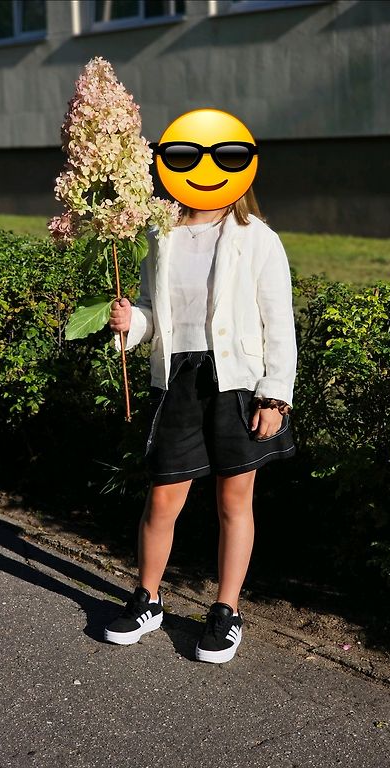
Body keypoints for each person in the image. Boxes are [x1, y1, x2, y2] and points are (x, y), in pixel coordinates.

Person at [105, 187, 297, 664]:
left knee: (234, 501)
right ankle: (148, 600)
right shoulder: (159, 234)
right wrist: (132, 321)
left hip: (238, 382)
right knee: (162, 497)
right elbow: (153, 313)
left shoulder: (257, 237)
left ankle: (226, 611)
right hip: (178, 380)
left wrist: (274, 396)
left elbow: (279, 322)